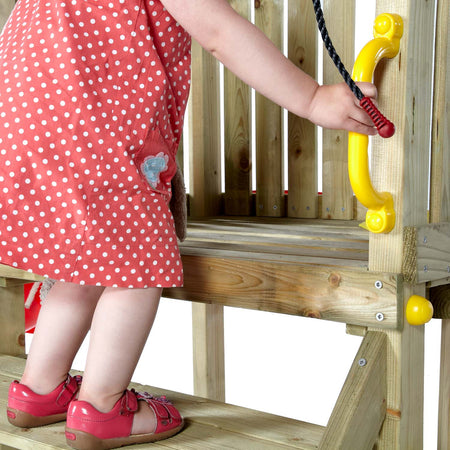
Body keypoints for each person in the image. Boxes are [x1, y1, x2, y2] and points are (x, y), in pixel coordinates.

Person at [2, 0, 377, 449]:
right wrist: (312, 98)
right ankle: (102, 407)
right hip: (89, 123)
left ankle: (39, 391)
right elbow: (219, 31)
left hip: (25, 120)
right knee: (136, 266)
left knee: (86, 260)